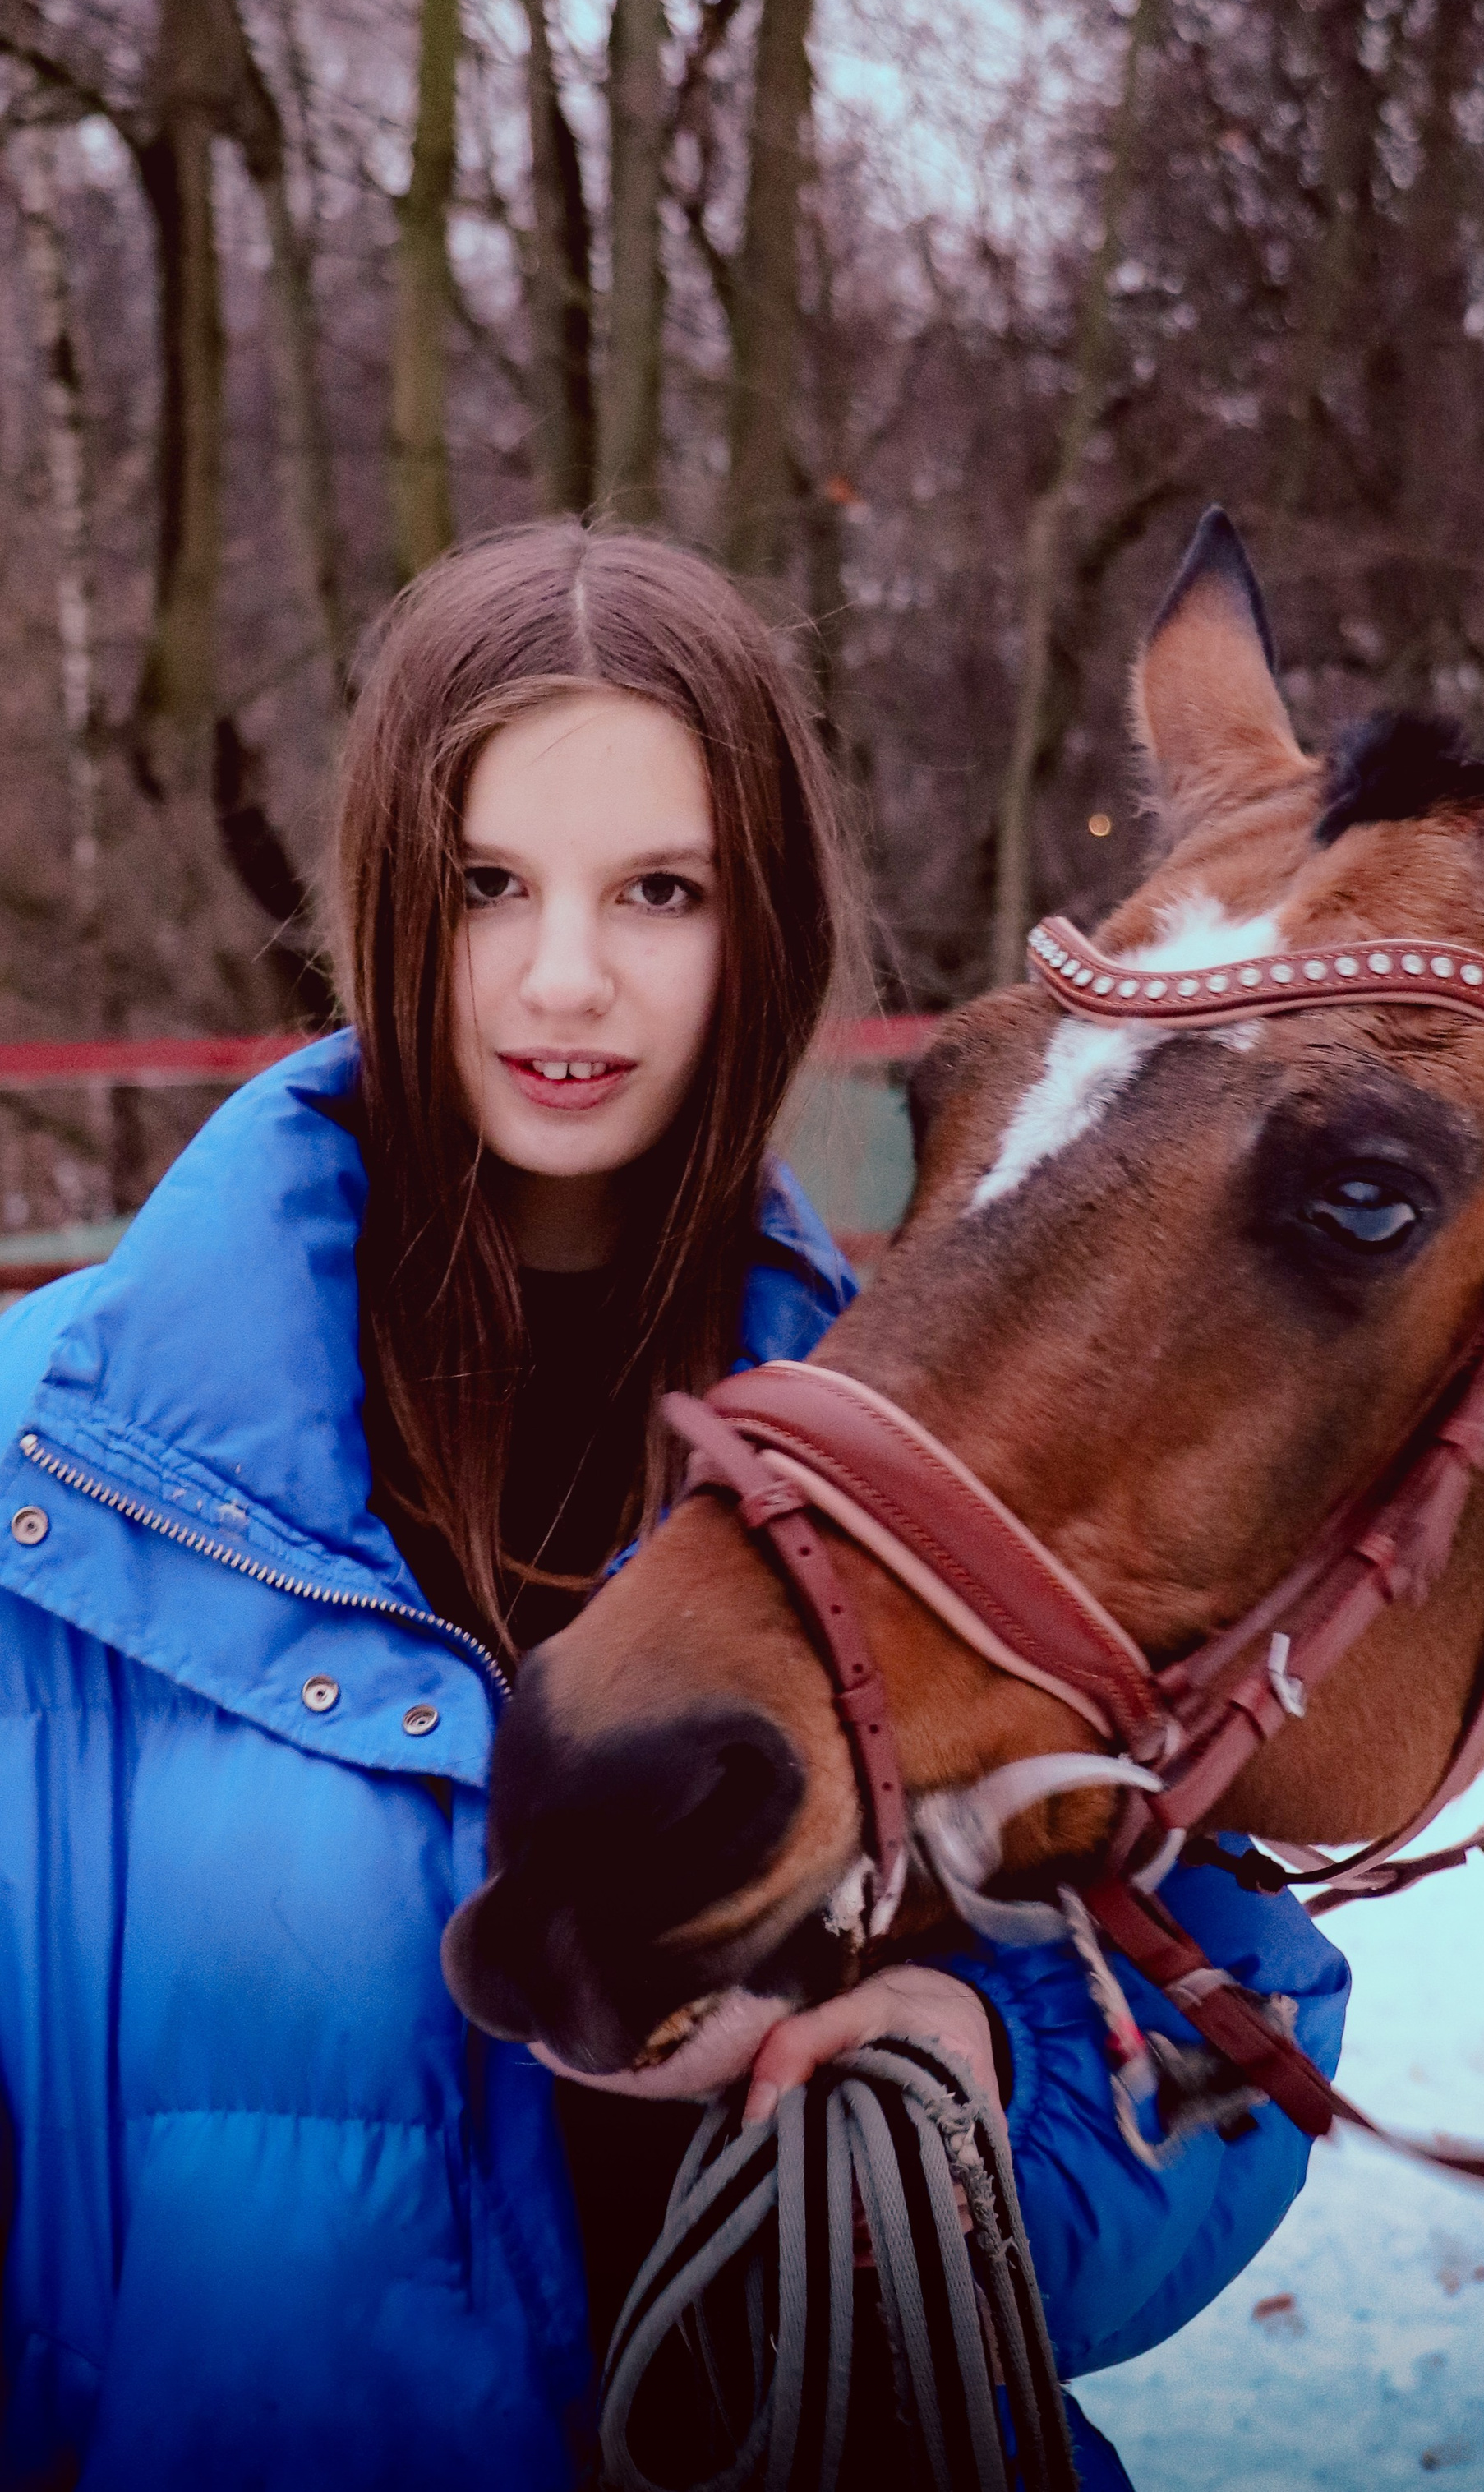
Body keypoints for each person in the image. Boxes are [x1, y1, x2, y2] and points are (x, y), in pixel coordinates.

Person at [0, 520, 1349, 2492]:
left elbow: (1239, 2018)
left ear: (762, 921)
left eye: (657, 888)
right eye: (486, 885)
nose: (565, 978)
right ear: (387, 893)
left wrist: (997, 2083)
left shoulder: (950, 1446)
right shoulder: (45, 1470)